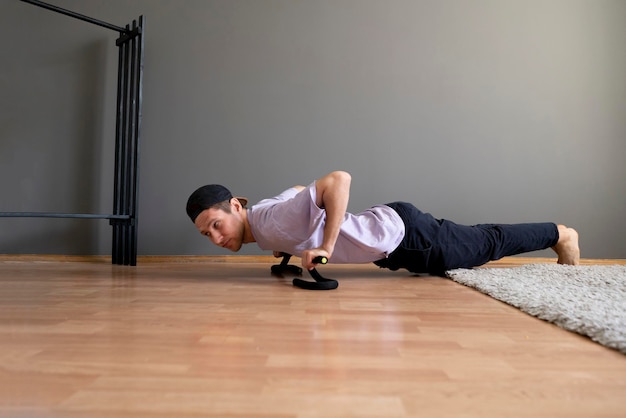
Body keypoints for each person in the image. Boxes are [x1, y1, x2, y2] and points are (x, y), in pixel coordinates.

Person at [185, 171, 580, 275]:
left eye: (217, 225)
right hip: (396, 233)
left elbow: (338, 180)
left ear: (236, 206)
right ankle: (555, 234)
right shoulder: (266, 219)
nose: (215, 238)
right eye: (207, 234)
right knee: (473, 243)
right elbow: (293, 189)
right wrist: (293, 241)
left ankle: (560, 234)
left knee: (485, 244)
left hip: (408, 239)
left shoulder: (271, 220)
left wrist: (323, 245)